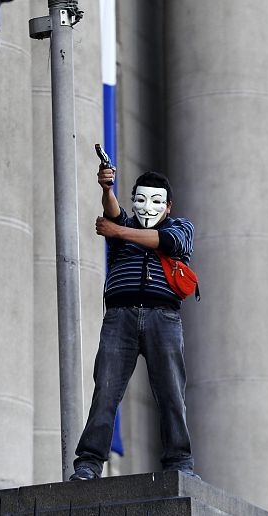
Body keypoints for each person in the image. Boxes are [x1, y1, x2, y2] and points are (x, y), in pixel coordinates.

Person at [69, 165, 196, 480]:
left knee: (171, 393)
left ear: (168, 206)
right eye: (140, 201)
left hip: (163, 317)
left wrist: (118, 232)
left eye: (156, 202)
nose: (147, 208)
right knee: (106, 391)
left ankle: (180, 464)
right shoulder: (123, 222)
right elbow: (113, 214)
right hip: (120, 316)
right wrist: (106, 189)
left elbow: (165, 241)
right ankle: (88, 463)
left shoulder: (181, 227)